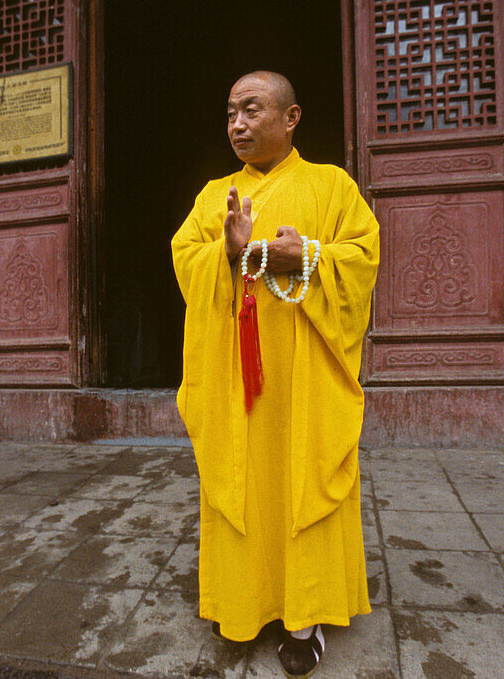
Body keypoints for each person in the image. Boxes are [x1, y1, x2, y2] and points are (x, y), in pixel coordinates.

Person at [171, 71, 379, 677]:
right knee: (240, 479)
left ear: (290, 118)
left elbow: (362, 259)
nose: (237, 123)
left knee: (301, 477)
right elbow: (187, 261)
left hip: (303, 379)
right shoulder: (215, 196)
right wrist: (229, 254)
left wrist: (305, 256)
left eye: (252, 110)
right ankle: (240, 605)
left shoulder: (331, 186)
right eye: (231, 112)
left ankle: (304, 618)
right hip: (234, 378)